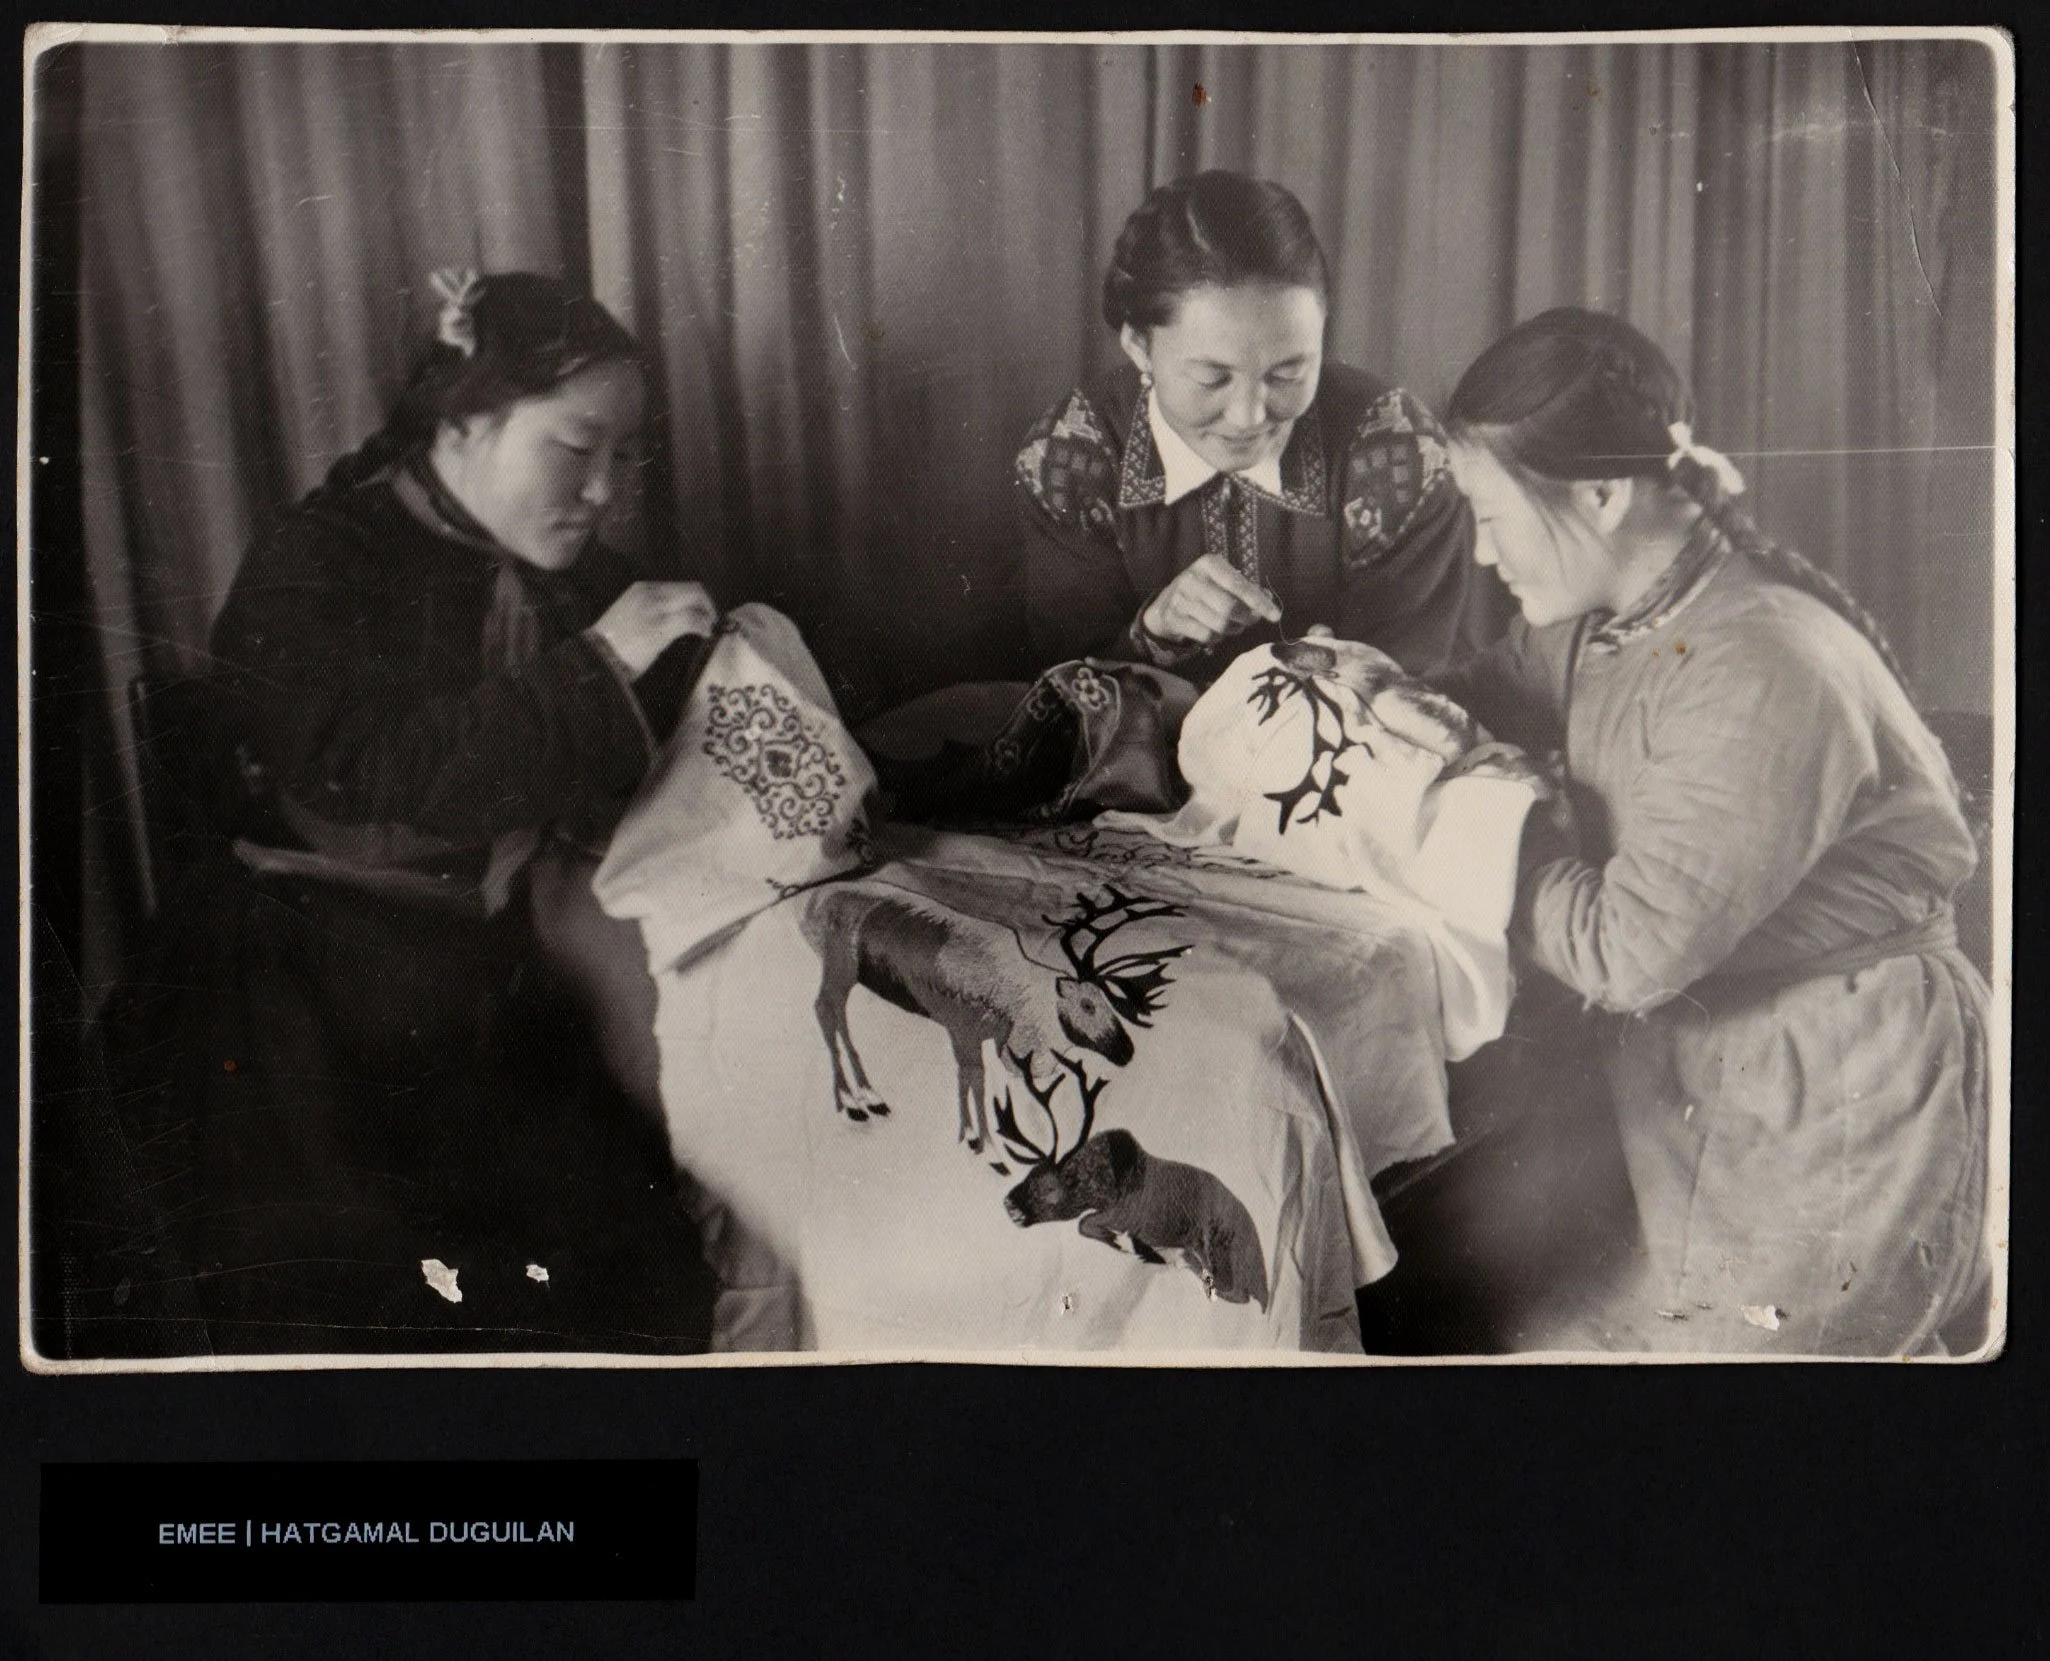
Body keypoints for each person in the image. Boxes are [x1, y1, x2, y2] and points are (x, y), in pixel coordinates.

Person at [91, 272, 719, 1355]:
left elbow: (650, 658)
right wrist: (606, 660)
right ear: (462, 422)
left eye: (625, 457)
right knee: (380, 1306)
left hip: (459, 955)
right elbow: (377, 773)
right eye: (575, 449)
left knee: (627, 1265)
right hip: (303, 974)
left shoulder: (534, 554)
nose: (606, 490)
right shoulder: (313, 565)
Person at [1435, 306, 1990, 1356]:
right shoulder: (1606, 618)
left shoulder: (1761, 662)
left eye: (1490, 513)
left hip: (1842, 1101)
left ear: (1597, 496)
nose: (1481, 548)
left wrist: (1461, 828)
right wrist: (1334, 684)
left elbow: (1626, 949)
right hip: (1717, 1091)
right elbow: (1478, 694)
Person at [1016, 170, 1506, 688]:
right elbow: (1062, 700)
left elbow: (1416, 690)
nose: (1250, 416)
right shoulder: (1069, 460)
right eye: (1213, 377)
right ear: (1139, 345)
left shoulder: (1403, 458)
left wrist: (1349, 675)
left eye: (1287, 373)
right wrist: (1152, 632)